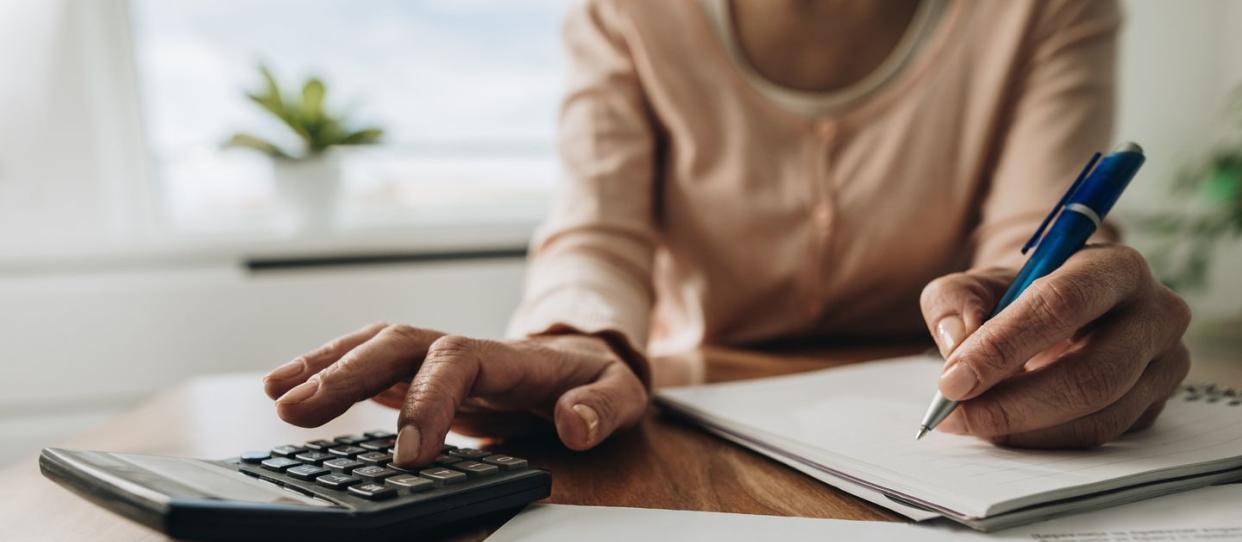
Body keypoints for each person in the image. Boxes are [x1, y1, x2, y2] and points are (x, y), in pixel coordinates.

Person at [263, 0, 1190, 466]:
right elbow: (597, 232)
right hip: (692, 419)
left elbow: (1030, 240)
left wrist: (1055, 311)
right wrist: (573, 338)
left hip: (950, 428)